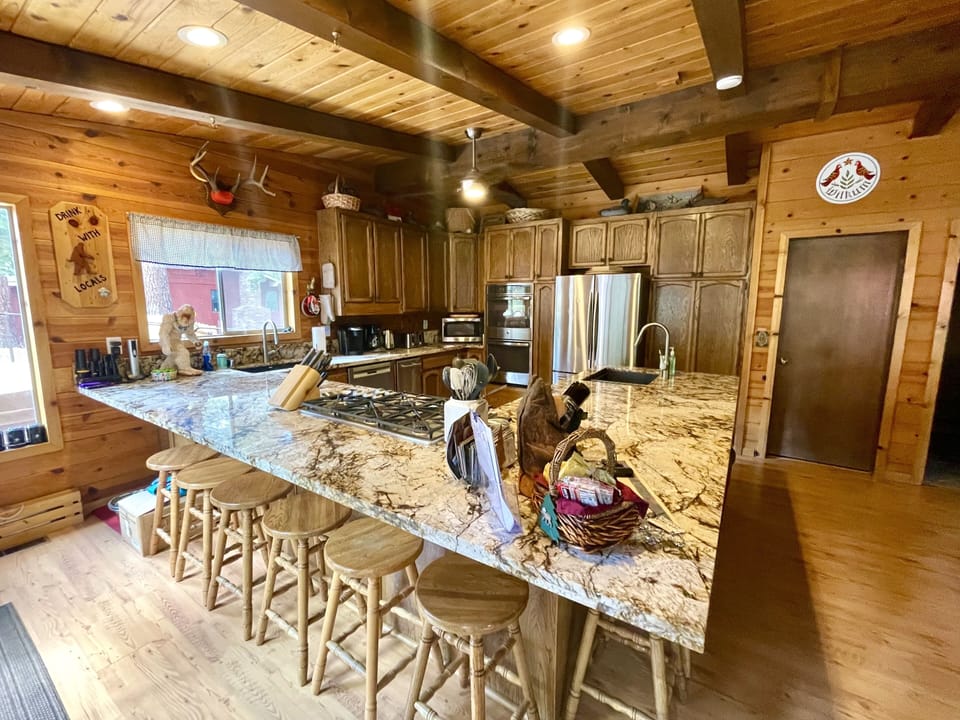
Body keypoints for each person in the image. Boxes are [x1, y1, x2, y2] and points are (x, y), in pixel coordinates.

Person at [158, 304, 203, 376]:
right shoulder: (169, 318)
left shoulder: (190, 321)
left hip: (176, 339)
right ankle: (185, 368)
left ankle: (163, 370)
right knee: (183, 352)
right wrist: (166, 345)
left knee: (174, 355)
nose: (186, 320)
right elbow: (163, 333)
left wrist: (196, 341)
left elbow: (190, 333)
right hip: (167, 339)